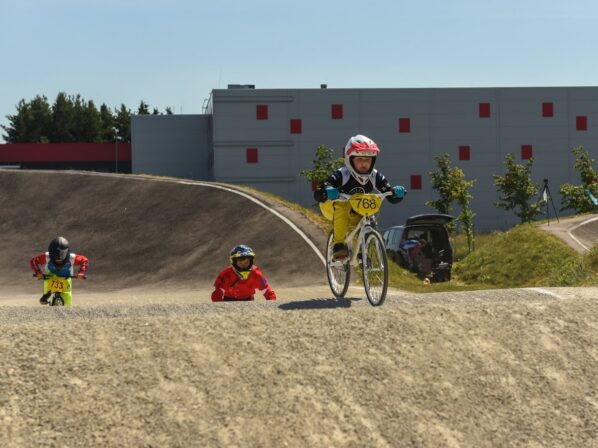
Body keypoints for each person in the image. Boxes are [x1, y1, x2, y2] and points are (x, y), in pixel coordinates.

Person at [314, 134, 406, 260]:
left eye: (368, 159)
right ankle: (339, 245)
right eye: (360, 159)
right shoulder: (342, 174)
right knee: (343, 205)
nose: (364, 163)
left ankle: (363, 252)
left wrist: (397, 193)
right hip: (332, 208)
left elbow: (390, 195)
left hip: (357, 210)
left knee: (370, 216)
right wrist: (327, 190)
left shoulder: (375, 176)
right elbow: (320, 191)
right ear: (350, 159)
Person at [30, 236, 89, 306]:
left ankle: (48, 294)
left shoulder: (71, 257)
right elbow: (34, 261)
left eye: (62, 255)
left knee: (67, 302)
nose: (58, 260)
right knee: (48, 279)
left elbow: (84, 260)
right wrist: (38, 272)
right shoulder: (47, 256)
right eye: (55, 255)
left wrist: (81, 272)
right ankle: (46, 294)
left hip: (65, 277)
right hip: (53, 276)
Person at [211, 244, 277, 302]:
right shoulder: (226, 275)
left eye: (246, 262)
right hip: (228, 301)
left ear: (251, 261)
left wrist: (272, 304)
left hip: (249, 301)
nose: (243, 265)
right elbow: (216, 296)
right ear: (234, 262)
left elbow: (267, 291)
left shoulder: (256, 273)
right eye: (240, 263)